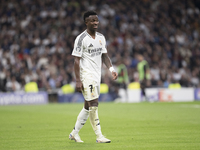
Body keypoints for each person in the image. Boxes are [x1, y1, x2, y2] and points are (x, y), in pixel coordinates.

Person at [69, 11, 118, 143]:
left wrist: (111, 69)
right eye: (92, 20)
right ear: (86, 22)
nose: (95, 23)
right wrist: (78, 80)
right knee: (94, 104)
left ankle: (74, 133)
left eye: (96, 20)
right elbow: (76, 60)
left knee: (87, 105)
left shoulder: (101, 37)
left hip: (97, 76)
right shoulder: (81, 39)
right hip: (87, 75)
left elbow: (105, 56)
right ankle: (99, 136)